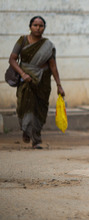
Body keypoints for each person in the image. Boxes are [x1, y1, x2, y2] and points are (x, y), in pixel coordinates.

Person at [8, 16, 65, 149]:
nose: (38, 28)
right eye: (35, 25)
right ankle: (26, 131)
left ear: (44, 28)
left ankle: (36, 139)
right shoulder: (22, 41)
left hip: (43, 81)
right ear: (30, 27)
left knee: (40, 108)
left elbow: (53, 66)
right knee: (24, 106)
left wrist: (59, 85)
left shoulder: (48, 45)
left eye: (41, 26)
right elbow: (12, 59)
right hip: (25, 80)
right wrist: (23, 74)